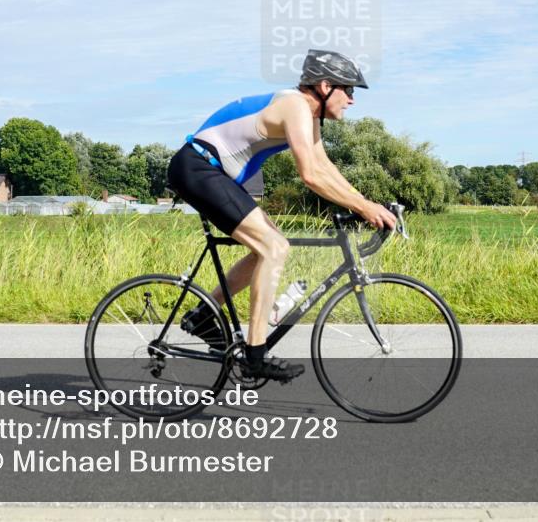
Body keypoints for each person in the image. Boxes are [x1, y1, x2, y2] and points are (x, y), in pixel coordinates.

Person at [166, 49, 397, 382]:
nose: (351, 100)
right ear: (325, 86)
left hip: (209, 172)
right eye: (349, 90)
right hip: (198, 168)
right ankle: (255, 355)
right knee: (273, 247)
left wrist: (366, 203)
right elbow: (310, 176)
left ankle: (205, 314)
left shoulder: (306, 114)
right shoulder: (295, 107)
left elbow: (324, 167)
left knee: (270, 245)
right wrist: (363, 208)